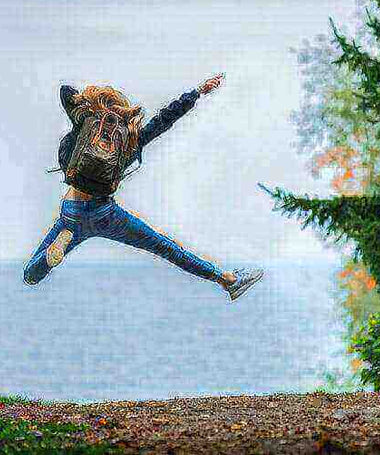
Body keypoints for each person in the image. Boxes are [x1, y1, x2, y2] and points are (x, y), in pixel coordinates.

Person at [23, 73, 265, 301]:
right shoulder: (129, 140)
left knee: (30, 276)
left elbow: (66, 91)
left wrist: (92, 110)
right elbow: (164, 120)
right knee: (165, 247)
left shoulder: (85, 126)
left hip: (72, 211)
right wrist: (198, 92)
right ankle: (228, 281)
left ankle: (49, 257)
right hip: (105, 214)